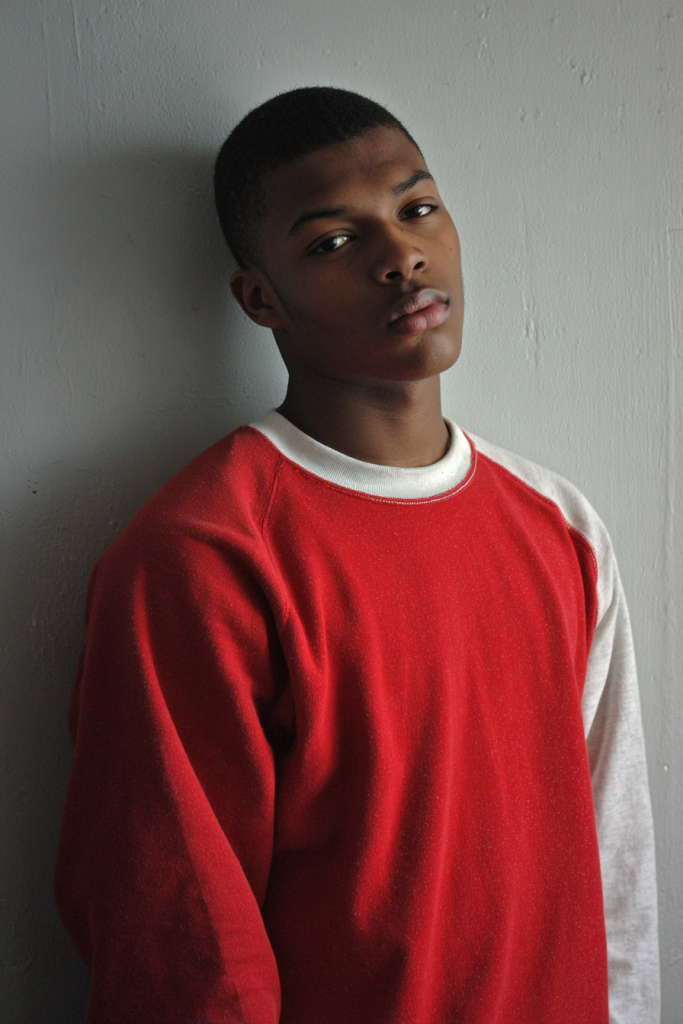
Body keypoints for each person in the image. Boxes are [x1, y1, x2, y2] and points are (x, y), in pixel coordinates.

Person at [55, 86, 660, 1024]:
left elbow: (610, 856)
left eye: (417, 209)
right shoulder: (201, 555)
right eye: (333, 242)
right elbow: (176, 936)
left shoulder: (558, 525)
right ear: (262, 299)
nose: (400, 255)